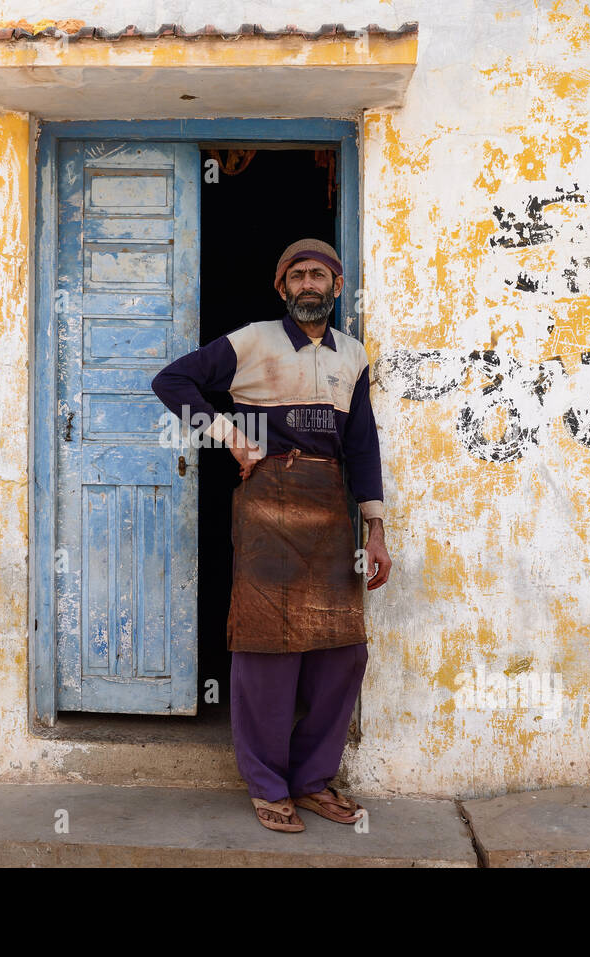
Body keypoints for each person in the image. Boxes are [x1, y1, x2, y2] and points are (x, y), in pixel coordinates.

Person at [150, 238, 392, 833]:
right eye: (298, 276)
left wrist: (376, 527)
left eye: (320, 275)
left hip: (333, 510)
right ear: (282, 288)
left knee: (342, 651)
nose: (309, 284)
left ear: (337, 287)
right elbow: (172, 380)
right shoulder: (253, 340)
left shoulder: (354, 356)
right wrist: (230, 434)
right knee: (266, 648)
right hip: (267, 507)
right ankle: (266, 784)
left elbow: (362, 445)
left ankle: (311, 781)